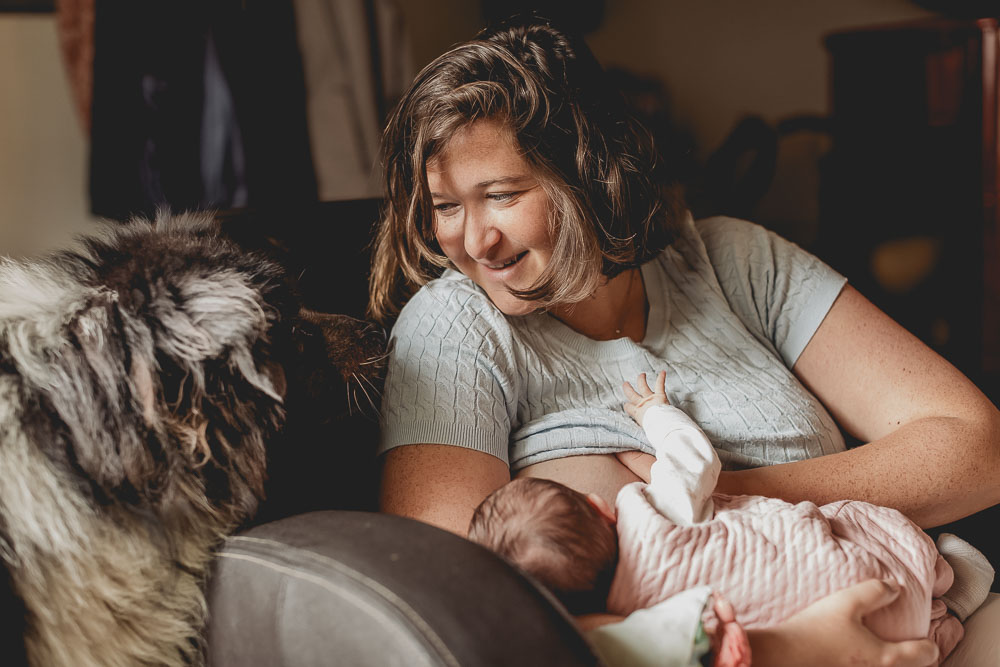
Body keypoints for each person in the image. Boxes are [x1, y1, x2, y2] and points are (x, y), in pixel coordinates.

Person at [368, 16, 1000, 666]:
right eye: (446, 206)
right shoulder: (455, 326)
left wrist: (708, 488)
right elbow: (440, 612)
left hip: (922, 616)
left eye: (500, 195)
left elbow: (978, 446)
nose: (473, 241)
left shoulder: (733, 260)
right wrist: (792, 647)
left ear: (588, 172)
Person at [469, 371, 989, 664]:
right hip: (877, 576)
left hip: (877, 645)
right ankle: (946, 574)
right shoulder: (655, 512)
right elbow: (694, 460)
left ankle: (949, 612)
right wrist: (654, 413)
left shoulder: (639, 621)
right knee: (842, 519)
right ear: (600, 508)